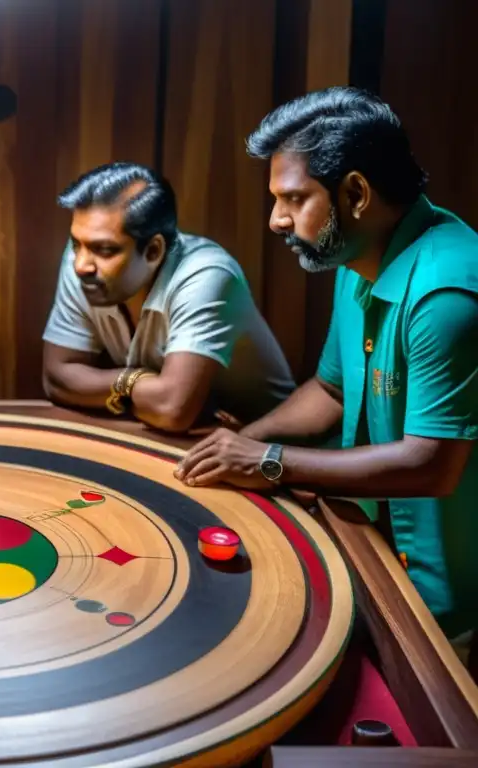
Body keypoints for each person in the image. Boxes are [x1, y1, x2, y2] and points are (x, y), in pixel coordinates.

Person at [174, 87, 478, 658]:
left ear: (356, 193)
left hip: (450, 601)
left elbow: (431, 465)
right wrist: (244, 440)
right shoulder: (359, 253)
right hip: (367, 545)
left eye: (293, 198)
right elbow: (332, 390)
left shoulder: (446, 292)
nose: (275, 220)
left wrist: (267, 463)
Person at [42, 162, 295, 432]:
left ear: (153, 251)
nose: (81, 264)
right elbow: (57, 379)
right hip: (190, 435)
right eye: (75, 243)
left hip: (265, 443)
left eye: (104, 249)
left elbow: (172, 410)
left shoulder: (206, 274)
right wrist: (134, 382)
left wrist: (102, 391)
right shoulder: (84, 266)